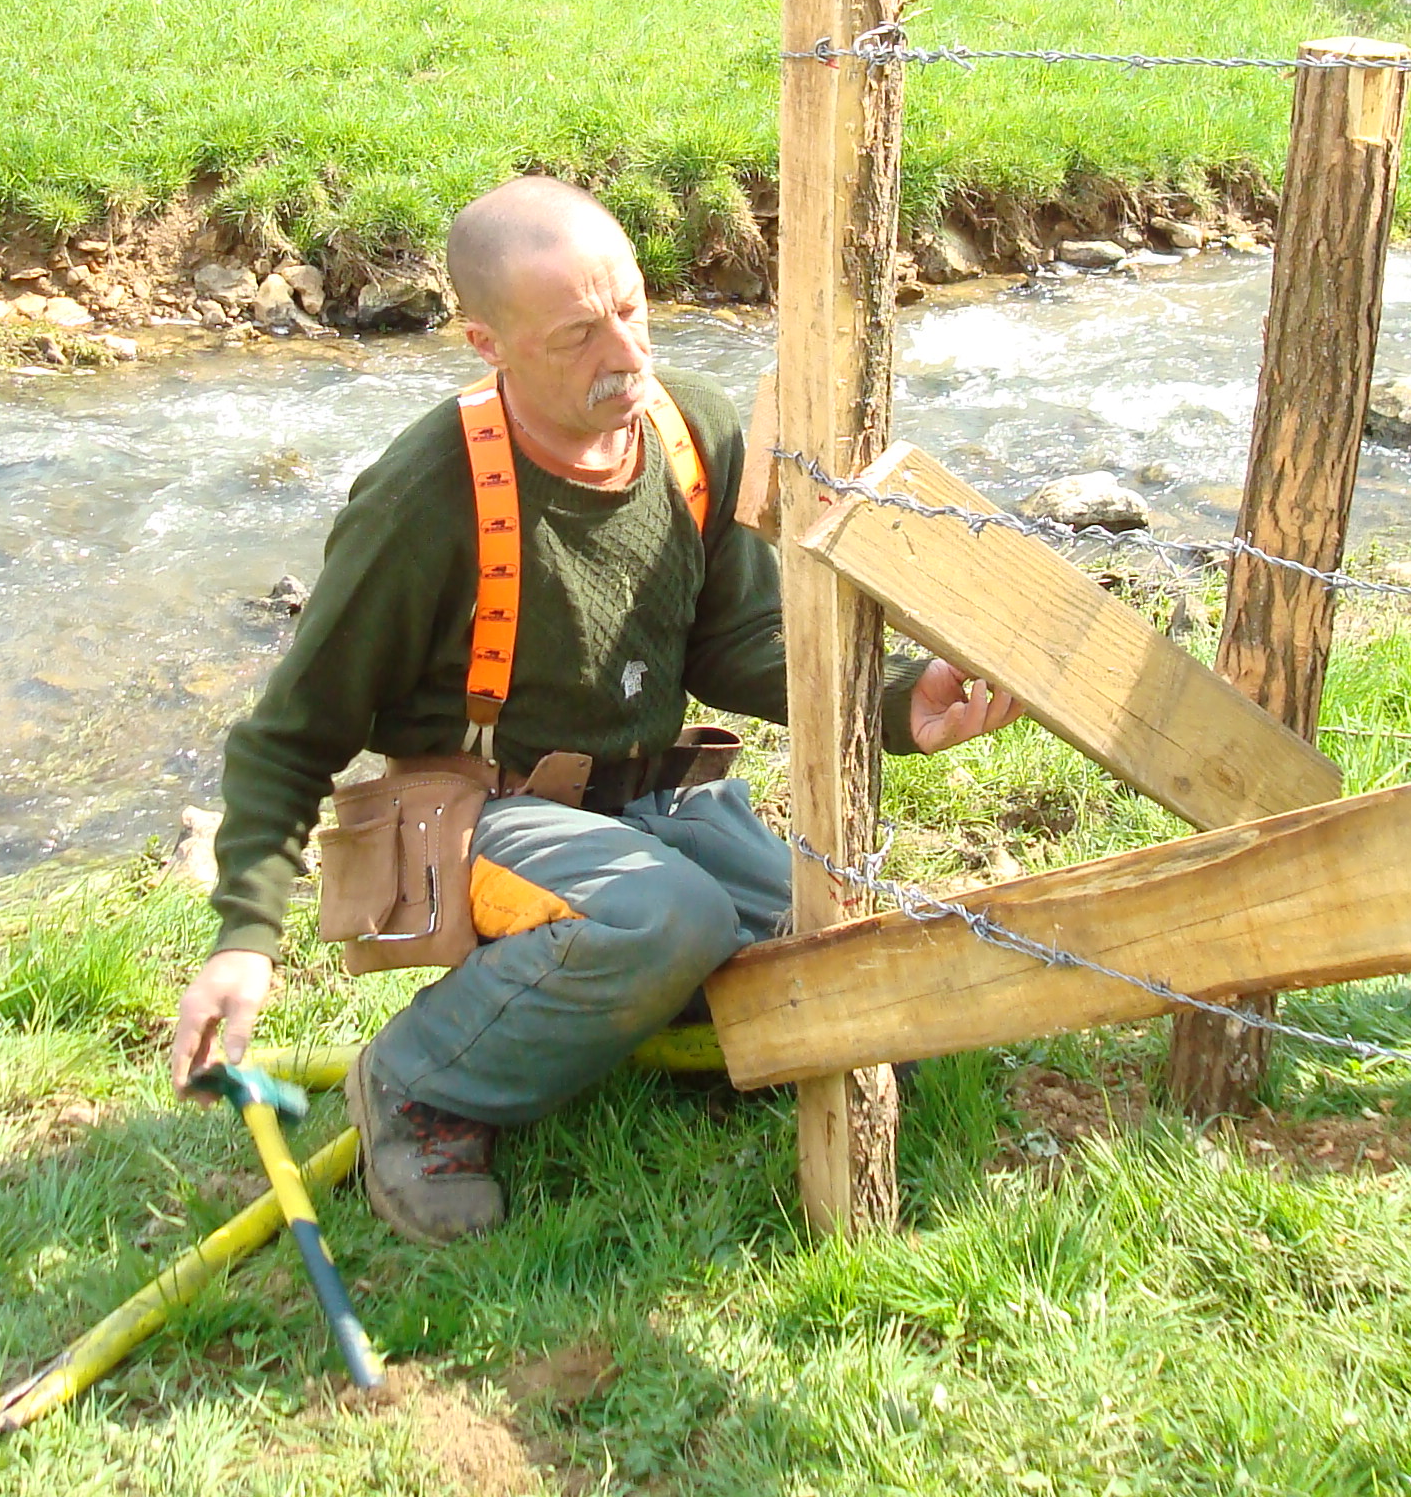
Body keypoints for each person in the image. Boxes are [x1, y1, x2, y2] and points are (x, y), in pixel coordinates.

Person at [167, 175, 1019, 1242]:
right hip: (481, 821)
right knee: (670, 917)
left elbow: (741, 643)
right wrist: (245, 939)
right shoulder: (424, 496)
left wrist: (900, 702)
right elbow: (291, 736)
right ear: (488, 343)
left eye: (630, 308)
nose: (624, 353)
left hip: (651, 804)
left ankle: (626, 995)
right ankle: (421, 1083)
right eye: (577, 335)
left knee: (844, 946)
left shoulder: (687, 431)